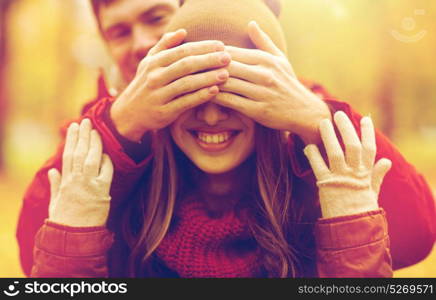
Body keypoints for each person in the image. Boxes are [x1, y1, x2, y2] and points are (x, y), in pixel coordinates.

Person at [18, 0, 435, 277]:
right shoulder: (102, 138)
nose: (143, 45)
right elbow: (36, 257)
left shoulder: (289, 134)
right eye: (119, 32)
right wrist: (119, 125)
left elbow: (413, 234)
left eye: (156, 18)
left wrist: (316, 121)